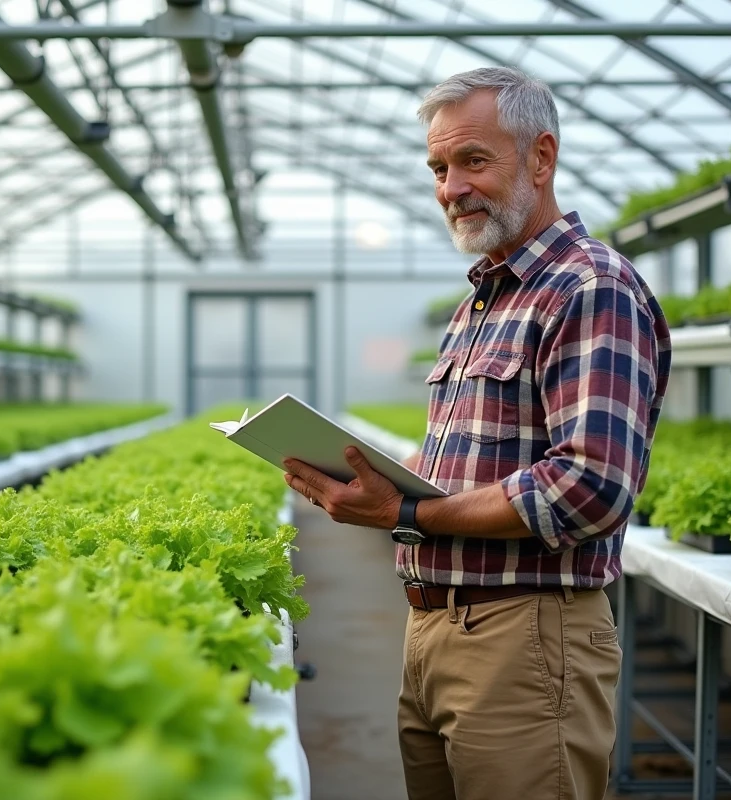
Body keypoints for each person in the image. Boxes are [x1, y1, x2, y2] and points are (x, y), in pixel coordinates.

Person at [282, 66, 672, 800]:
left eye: (473, 161)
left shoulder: (590, 288)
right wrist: (374, 474)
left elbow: (588, 486)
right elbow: (469, 457)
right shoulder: (481, 302)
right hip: (435, 631)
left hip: (525, 640)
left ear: (541, 157)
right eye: (438, 168)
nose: (451, 188)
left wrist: (405, 511)